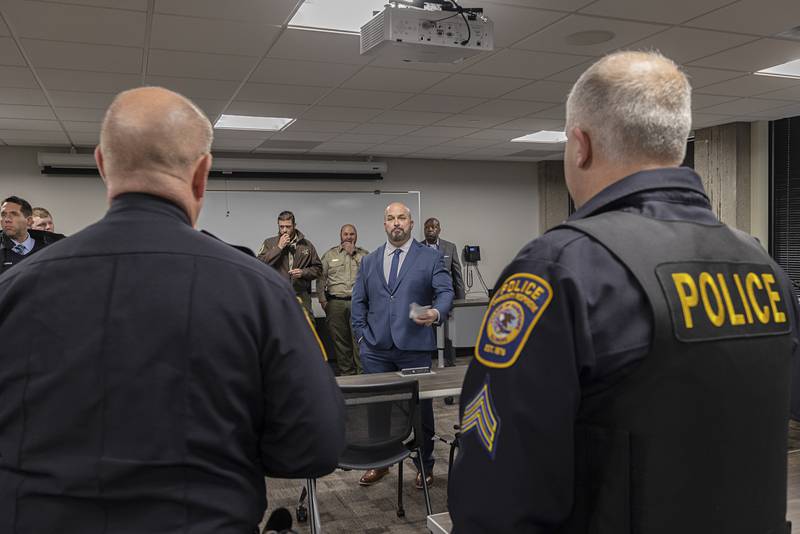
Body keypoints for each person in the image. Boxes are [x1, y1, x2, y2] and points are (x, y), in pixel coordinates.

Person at [449, 51, 799, 533]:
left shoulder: (559, 269)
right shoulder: (763, 268)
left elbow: (499, 493)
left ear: (580, 145)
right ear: (676, 143)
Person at [0, 86, 346, 534]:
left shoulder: (13, 289)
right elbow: (316, 446)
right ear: (202, 173)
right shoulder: (260, 291)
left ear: (103, 165)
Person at [351, 202, 454, 489]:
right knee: (378, 410)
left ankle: (424, 464)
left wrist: (435, 313)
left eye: (402, 218)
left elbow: (445, 291)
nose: (396, 223)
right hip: (375, 349)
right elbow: (358, 303)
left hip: (414, 347)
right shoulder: (369, 261)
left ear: (410, 223)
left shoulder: (430, 258)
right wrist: (361, 338)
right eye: (390, 218)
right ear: (384, 224)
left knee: (421, 409)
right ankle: (379, 463)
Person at [318, 224, 369, 376]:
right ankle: (347, 376)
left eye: (352, 234)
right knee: (341, 343)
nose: (348, 237)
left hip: (358, 304)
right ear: (341, 236)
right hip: (336, 304)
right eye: (345, 234)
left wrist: (353, 254)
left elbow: (371, 276)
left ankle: (362, 375)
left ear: (356, 236)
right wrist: (323, 301)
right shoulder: (329, 255)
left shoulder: (364, 255)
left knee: (360, 341)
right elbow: (321, 280)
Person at [257, 211, 322, 313]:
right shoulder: (269, 243)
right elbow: (259, 264)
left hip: (301, 295)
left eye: (288, 227)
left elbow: (318, 269)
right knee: (279, 326)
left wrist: (303, 273)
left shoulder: (307, 245)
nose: (284, 230)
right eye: (281, 227)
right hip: (277, 294)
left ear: (294, 226)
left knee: (305, 326)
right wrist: (279, 247)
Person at [1, 196, 62, 274]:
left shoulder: (53, 249)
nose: (7, 219)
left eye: (14, 214)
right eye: (3, 215)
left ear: (29, 221)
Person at [424, 217, 465, 301]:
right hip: (425, 300)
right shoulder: (417, 248)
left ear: (439, 230)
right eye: (426, 227)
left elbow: (457, 277)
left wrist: (462, 301)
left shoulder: (450, 247)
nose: (430, 229)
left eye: (433, 227)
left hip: (446, 298)